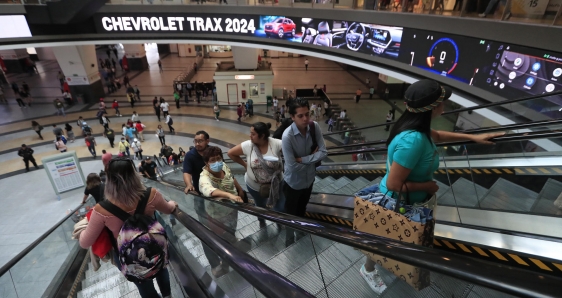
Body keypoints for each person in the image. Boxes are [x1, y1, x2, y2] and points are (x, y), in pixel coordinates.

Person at [359, 79, 503, 293]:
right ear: (433, 108)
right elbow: (394, 183)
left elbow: (437, 135)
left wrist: (473, 138)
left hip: (410, 200)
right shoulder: (413, 140)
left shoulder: (415, 127)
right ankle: (368, 268)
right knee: (385, 241)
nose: (445, 106)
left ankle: (383, 262)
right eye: (442, 102)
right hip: (398, 201)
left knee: (394, 239)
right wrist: (428, 186)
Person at [78, 157, 177, 298]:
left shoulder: (101, 210)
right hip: (155, 244)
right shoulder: (151, 194)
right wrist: (172, 204)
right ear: (134, 174)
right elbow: (168, 209)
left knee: (142, 283)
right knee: (161, 268)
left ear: (109, 180)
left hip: (126, 253)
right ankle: (168, 295)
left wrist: (83, 229)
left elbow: (85, 242)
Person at [282, 98, 327, 243]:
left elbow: (324, 152)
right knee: (290, 213)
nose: (305, 118)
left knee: (302, 210)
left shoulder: (314, 127)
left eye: (307, 114)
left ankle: (300, 231)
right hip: (293, 184)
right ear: (292, 117)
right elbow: (292, 166)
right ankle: (289, 237)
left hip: (309, 181)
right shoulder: (287, 137)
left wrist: (304, 159)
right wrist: (313, 157)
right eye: (300, 116)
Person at [228, 122, 285, 227]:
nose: (250, 136)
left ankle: (279, 221)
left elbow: (291, 153)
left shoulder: (277, 144)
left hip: (276, 184)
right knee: (260, 206)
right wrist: (245, 165)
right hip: (255, 186)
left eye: (253, 134)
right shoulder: (248, 145)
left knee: (280, 206)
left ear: (262, 135)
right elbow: (230, 153)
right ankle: (261, 221)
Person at [199, 146, 244, 277]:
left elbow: (230, 176)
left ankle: (229, 257)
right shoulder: (204, 177)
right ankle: (226, 262)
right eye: (212, 160)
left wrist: (240, 190)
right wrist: (229, 195)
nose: (217, 162)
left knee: (231, 233)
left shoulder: (223, 166)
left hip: (232, 211)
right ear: (206, 163)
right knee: (225, 240)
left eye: (219, 158)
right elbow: (208, 190)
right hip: (217, 217)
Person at [183, 130, 210, 195]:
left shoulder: (213, 151)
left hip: (215, 186)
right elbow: (187, 172)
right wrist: (189, 185)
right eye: (195, 141)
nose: (197, 144)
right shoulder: (190, 155)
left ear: (207, 141)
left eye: (200, 141)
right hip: (198, 188)